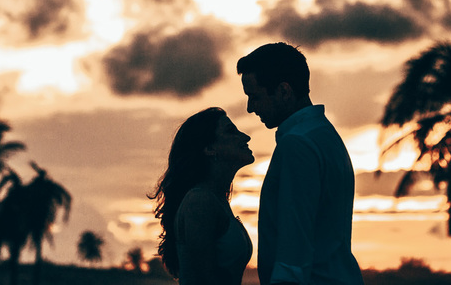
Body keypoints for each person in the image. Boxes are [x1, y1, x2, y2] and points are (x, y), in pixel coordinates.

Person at [238, 43, 363, 285]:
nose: (250, 108)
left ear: (284, 91)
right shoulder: (325, 135)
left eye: (255, 97)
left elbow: (293, 254)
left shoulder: (297, 145)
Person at [153, 107, 255, 285]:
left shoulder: (215, 199)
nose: (245, 137)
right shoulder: (200, 202)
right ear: (209, 148)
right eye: (231, 131)